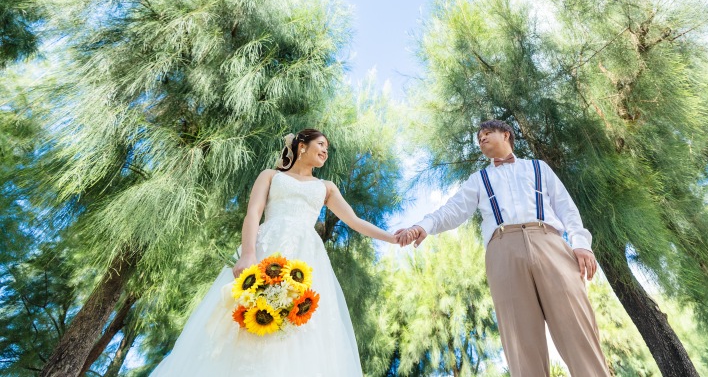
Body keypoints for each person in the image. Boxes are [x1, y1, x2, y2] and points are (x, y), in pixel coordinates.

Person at [151, 128, 398, 376]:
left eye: (328, 149)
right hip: (265, 248)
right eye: (321, 144)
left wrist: (394, 238)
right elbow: (253, 214)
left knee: (297, 326)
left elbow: (355, 221)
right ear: (302, 146)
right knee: (245, 320)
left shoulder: (326, 187)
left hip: (305, 260)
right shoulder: (270, 176)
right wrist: (248, 255)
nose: (325, 151)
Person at [396, 119, 610, 377]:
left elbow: (566, 207)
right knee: (520, 342)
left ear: (506, 134)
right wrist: (423, 226)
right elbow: (452, 211)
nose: (482, 139)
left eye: (487, 133)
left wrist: (581, 244)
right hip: (503, 250)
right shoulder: (479, 179)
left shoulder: (538, 168)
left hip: (549, 241)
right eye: (479, 138)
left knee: (577, 328)